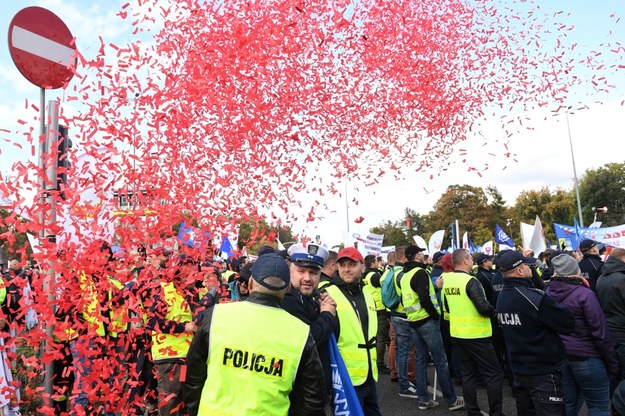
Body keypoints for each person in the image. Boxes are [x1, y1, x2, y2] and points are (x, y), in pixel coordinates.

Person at [182, 253, 326, 415]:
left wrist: (194, 410)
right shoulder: (300, 332)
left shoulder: (216, 316)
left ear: (250, 283)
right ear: (287, 289)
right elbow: (313, 399)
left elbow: (192, 377)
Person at [496, 250, 574, 416]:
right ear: (519, 271)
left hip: (519, 368)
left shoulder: (503, 296)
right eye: (526, 264)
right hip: (543, 371)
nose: (530, 266)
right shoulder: (534, 298)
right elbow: (567, 324)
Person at [546, 253, 619, 415]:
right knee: (598, 406)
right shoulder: (585, 295)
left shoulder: (548, 293)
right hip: (588, 357)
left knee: (569, 404)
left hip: (563, 356)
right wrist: (612, 363)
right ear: (575, 271)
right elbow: (600, 333)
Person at [400, 245, 464, 411]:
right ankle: (451, 400)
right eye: (421, 253)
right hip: (426, 321)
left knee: (421, 360)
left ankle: (423, 399)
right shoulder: (420, 273)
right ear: (416, 256)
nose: (423, 255)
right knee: (440, 360)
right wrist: (435, 315)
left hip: (413, 321)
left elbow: (408, 297)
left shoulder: (405, 275)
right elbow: (424, 299)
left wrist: (434, 287)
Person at [442, 249, 503, 416]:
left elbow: (446, 306)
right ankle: (496, 413)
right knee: (494, 374)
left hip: (457, 333)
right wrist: (494, 311)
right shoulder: (470, 281)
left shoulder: (448, 280)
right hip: (477, 334)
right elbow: (483, 307)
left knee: (468, 375)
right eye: (470, 257)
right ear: (465, 261)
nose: (472, 260)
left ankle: (473, 412)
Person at [324, 247, 381, 415]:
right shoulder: (328, 294)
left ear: (362, 267)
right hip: (345, 378)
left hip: (369, 373)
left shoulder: (367, 292)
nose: (347, 269)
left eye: (352, 264)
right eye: (342, 265)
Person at [281, 243, 337, 411]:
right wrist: (327, 315)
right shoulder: (286, 301)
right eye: (301, 271)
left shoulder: (311, 299)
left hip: (314, 392)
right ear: (290, 270)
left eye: (313, 272)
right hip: (299, 398)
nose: (307, 277)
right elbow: (308, 341)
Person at [596, 247, 625, 379]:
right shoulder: (621, 279)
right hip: (622, 331)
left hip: (609, 330)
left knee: (615, 373)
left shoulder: (602, 277)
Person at [362, 254, 391, 375]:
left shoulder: (366, 275)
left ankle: (375, 362)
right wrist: (388, 271)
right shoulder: (374, 276)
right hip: (379, 310)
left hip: (371, 309)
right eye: (376, 261)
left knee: (377, 338)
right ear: (372, 263)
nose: (379, 263)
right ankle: (379, 364)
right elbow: (384, 282)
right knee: (381, 339)